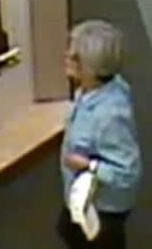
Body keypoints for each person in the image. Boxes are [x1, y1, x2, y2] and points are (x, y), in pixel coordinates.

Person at [57, 19, 142, 248]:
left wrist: (88, 166)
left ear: (93, 66)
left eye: (75, 57)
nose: (66, 57)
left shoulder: (111, 115)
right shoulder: (89, 90)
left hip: (103, 211)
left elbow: (127, 173)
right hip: (81, 200)